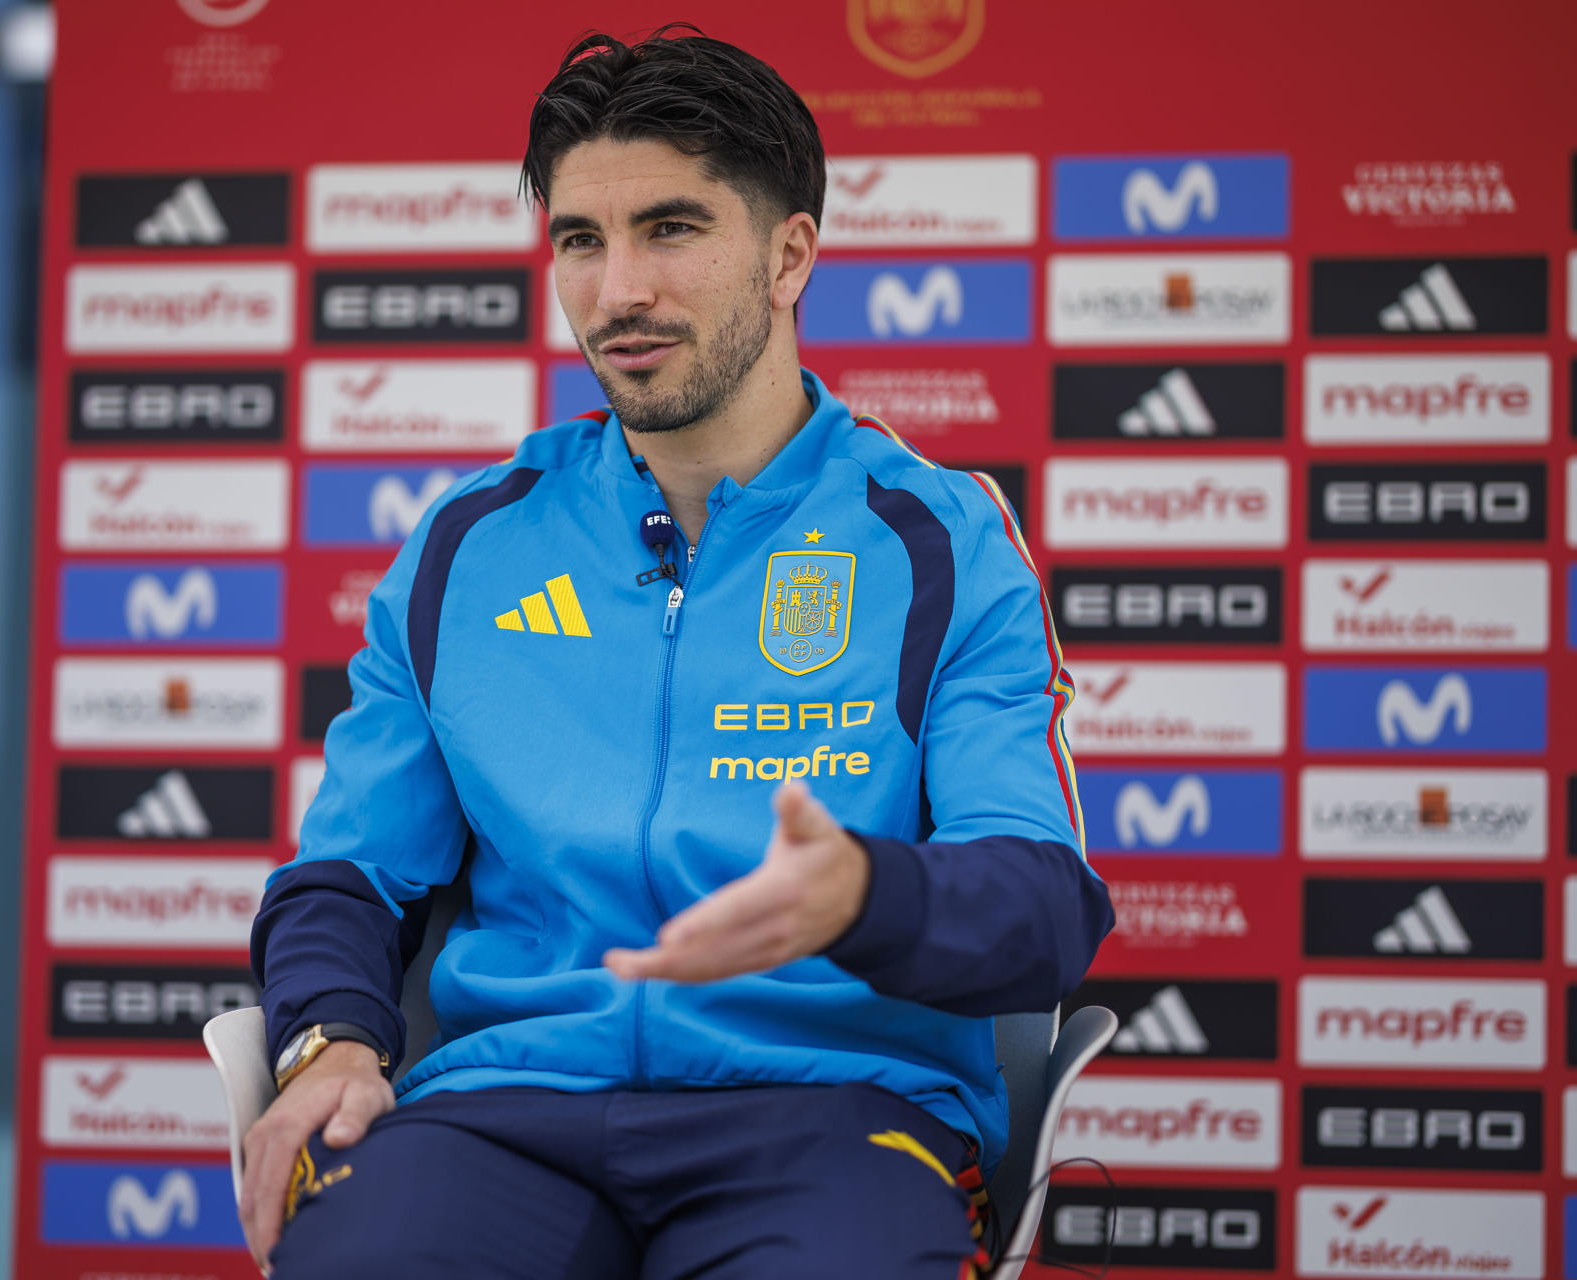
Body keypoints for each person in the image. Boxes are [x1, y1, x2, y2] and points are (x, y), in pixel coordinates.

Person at [246, 26, 1111, 1278]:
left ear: (789, 255)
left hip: (834, 1113)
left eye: (671, 229)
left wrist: (861, 895)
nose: (616, 293)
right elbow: (348, 876)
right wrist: (329, 1039)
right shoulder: (467, 546)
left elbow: (1040, 903)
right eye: (579, 242)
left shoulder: (943, 541)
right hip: (504, 1114)